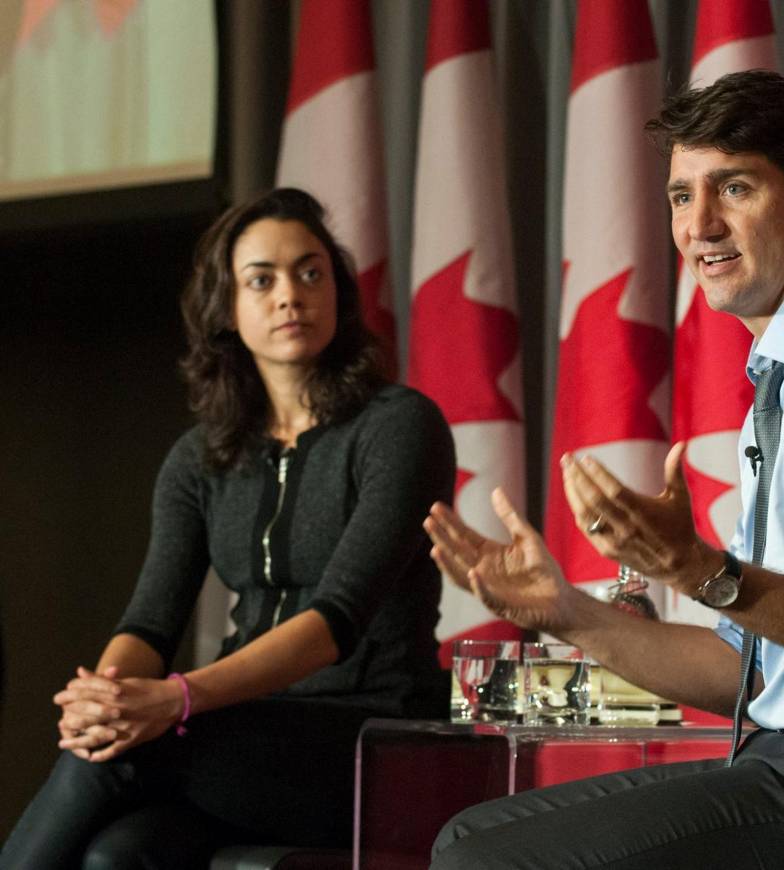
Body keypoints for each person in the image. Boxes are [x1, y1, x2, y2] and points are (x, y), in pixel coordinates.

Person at [424, 71, 784, 869]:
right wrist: (564, 612)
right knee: (467, 840)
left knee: (489, 863)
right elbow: (743, 668)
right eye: (682, 196)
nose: (698, 224)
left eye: (733, 188)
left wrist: (697, 569)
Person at [0, 188, 454, 869]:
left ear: (337, 291)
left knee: (126, 754)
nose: (290, 296)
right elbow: (150, 623)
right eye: (261, 280)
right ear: (227, 309)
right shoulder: (200, 458)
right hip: (245, 737)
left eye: (310, 273)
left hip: (374, 740)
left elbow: (336, 621)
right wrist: (107, 698)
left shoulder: (399, 427)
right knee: (118, 855)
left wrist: (177, 699)